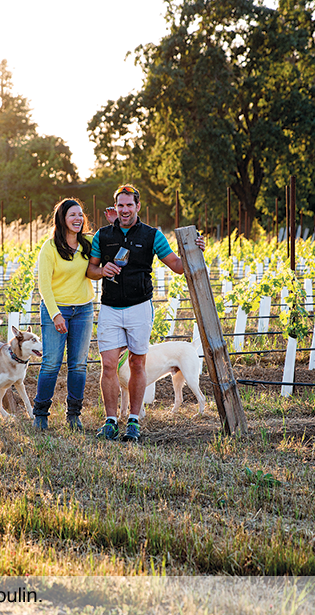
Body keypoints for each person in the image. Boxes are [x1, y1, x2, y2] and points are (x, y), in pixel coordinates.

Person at [86, 183, 205, 443]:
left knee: (137, 363)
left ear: (138, 207)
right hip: (109, 308)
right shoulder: (103, 236)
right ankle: (110, 422)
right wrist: (101, 270)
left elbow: (177, 265)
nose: (125, 209)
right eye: (121, 205)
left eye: (130, 205)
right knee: (108, 365)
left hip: (140, 307)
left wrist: (195, 249)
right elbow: (91, 270)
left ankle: (134, 421)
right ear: (115, 207)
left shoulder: (152, 235)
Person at [33, 198, 96, 431]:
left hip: (83, 310)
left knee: (78, 364)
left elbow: (112, 244)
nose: (78, 219)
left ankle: (73, 415)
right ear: (62, 219)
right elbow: (44, 286)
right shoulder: (49, 248)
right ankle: (40, 414)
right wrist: (56, 315)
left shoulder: (89, 242)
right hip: (56, 309)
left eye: (80, 215)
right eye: (72, 215)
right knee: (51, 363)